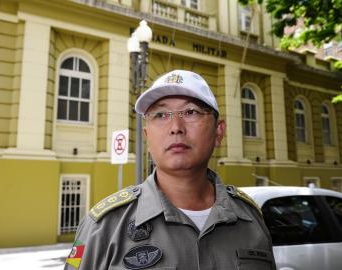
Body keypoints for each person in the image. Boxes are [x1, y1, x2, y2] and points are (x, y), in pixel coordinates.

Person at [64, 70, 276, 270]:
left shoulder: (252, 218)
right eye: (161, 115)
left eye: (191, 112)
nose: (176, 126)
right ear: (147, 137)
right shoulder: (103, 226)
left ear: (218, 132)